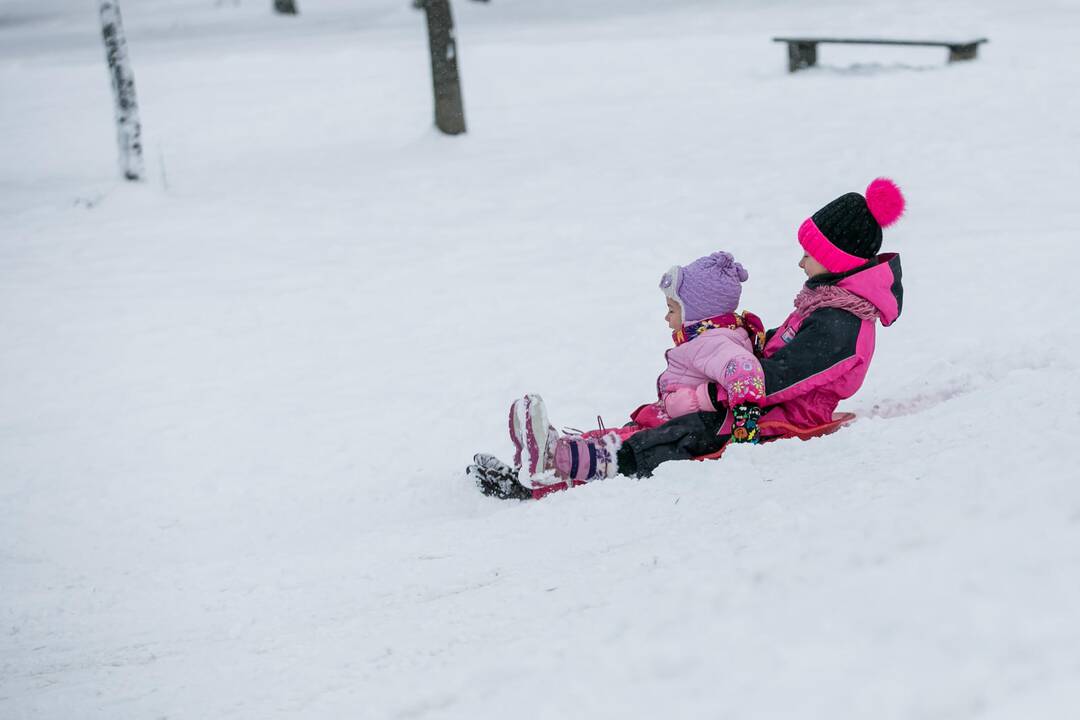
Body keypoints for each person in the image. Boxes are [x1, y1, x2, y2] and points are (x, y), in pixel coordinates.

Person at [470, 178, 906, 500]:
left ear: (837, 259)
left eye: (810, 254)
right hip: (751, 397)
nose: (800, 262)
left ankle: (563, 469)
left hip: (777, 417)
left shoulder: (842, 325)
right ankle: (559, 454)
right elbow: (778, 349)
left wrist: (704, 396)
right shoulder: (827, 306)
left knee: (683, 433)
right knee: (658, 420)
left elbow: (781, 379)